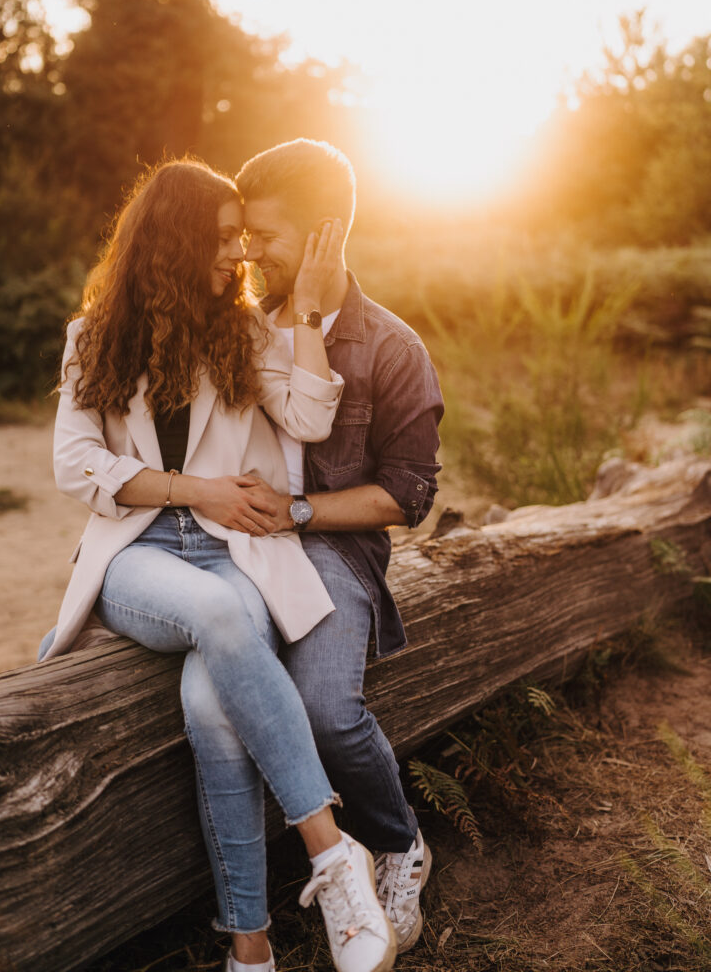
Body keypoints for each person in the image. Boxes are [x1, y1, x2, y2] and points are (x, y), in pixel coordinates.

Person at [38, 158, 398, 972]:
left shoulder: (240, 331)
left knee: (212, 705)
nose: (238, 254)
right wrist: (193, 488)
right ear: (170, 242)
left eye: (242, 236)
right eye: (223, 237)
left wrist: (305, 312)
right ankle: (334, 852)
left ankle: (250, 947)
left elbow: (308, 413)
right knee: (221, 616)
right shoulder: (91, 337)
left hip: (234, 552)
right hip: (139, 557)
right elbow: (75, 464)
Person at [212, 138, 443, 955]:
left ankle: (397, 841)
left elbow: (408, 495)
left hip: (334, 551)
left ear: (323, 234)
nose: (248, 253)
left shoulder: (392, 348)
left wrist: (299, 513)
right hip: (231, 546)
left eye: (265, 236)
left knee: (325, 710)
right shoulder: (234, 327)